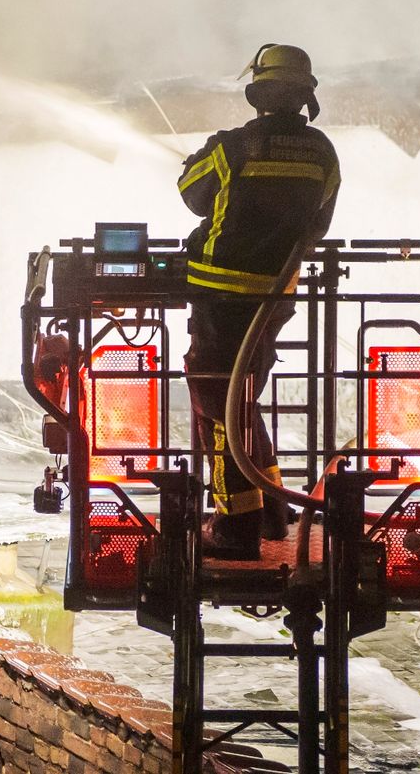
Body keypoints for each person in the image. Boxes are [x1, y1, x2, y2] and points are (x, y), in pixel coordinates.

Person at [178, 44, 339, 559]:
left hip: (221, 294)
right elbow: (318, 223)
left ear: (258, 94)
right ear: (304, 97)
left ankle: (236, 526)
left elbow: (191, 193)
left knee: (217, 404)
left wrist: (198, 160)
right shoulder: (323, 153)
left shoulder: (232, 147)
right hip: (275, 297)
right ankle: (271, 509)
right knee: (241, 400)